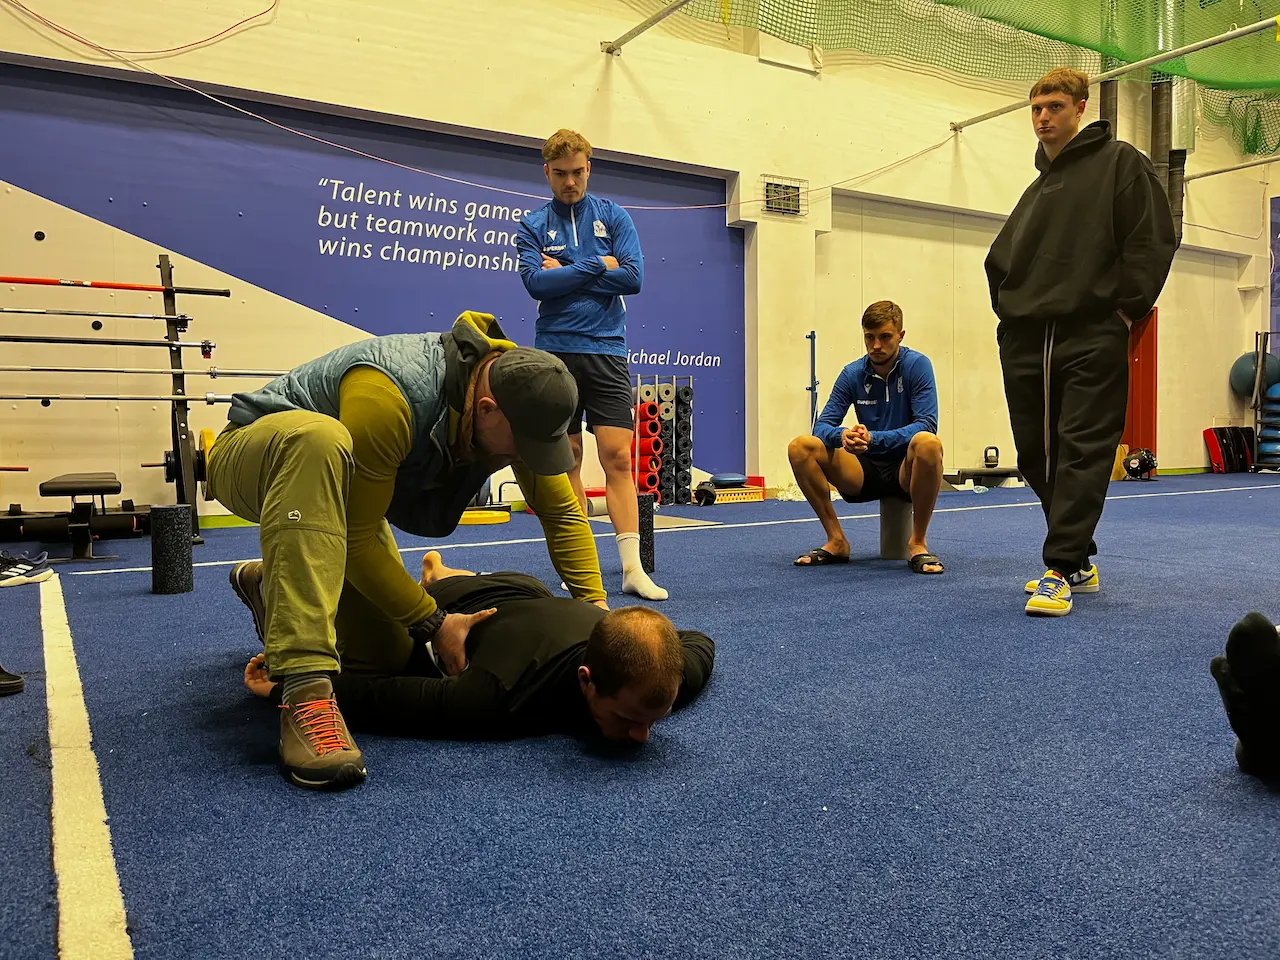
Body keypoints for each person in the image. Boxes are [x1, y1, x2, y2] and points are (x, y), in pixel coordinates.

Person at [207, 310, 609, 791]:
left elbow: (562, 513)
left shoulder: (521, 401)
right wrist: (435, 622)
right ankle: (305, 689)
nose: (524, 459)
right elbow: (355, 539)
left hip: (344, 497)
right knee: (319, 439)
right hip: (259, 453)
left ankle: (272, 588)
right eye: (521, 446)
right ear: (485, 409)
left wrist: (597, 616)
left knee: (389, 657)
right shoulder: (390, 395)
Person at [984, 67, 1177, 617]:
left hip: (1091, 331)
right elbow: (999, 260)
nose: (1043, 117)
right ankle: (1079, 558)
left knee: (1084, 449)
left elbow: (1153, 238)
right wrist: (1010, 313)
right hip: (1027, 337)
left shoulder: (1121, 164)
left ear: (1080, 108)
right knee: (1036, 455)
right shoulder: (1037, 190)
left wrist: (1123, 310)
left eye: (1054, 106)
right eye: (1036, 108)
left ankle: (1059, 566)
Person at [237, 552, 715, 744]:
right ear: (586, 682)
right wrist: (288, 683)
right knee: (377, 646)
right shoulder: (496, 696)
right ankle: (267, 584)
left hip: (527, 592)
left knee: (508, 594)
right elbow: (381, 697)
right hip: (452, 612)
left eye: (656, 719)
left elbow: (697, 643)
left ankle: (440, 569)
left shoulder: (663, 680)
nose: (642, 737)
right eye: (628, 721)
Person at [515, 128, 667, 602]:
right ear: (547, 172)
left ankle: (631, 568)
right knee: (570, 460)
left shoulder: (614, 215)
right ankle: (579, 562)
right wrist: (598, 265)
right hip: (555, 351)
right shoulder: (532, 224)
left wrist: (567, 269)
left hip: (607, 350)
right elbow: (536, 287)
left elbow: (636, 278)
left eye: (578, 171)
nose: (570, 181)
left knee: (618, 457)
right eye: (560, 174)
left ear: (589, 167)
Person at [787, 300, 945, 574]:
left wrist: (874, 439)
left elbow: (927, 424)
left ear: (900, 336)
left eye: (884, 337)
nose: (876, 346)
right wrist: (844, 436)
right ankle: (836, 541)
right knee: (801, 447)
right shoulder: (852, 373)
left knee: (929, 444)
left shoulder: (917, 366)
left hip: (906, 470)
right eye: (869, 338)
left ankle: (918, 543)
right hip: (863, 470)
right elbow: (822, 427)